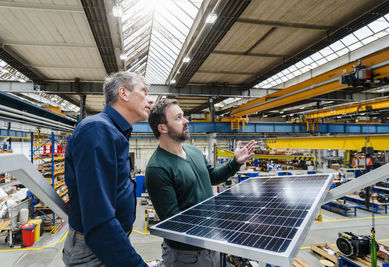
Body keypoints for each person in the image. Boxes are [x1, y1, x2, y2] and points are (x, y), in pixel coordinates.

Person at [145, 99, 256, 267]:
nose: (186, 121)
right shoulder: (157, 167)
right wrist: (220, 218)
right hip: (186, 254)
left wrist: (235, 163)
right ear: (163, 128)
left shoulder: (194, 151)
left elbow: (213, 177)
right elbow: (173, 222)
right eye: (178, 117)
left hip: (212, 243)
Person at [63, 72, 153, 267]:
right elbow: (99, 218)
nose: (151, 100)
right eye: (144, 92)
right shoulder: (97, 130)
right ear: (124, 93)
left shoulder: (114, 132)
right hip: (95, 249)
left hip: (108, 243)